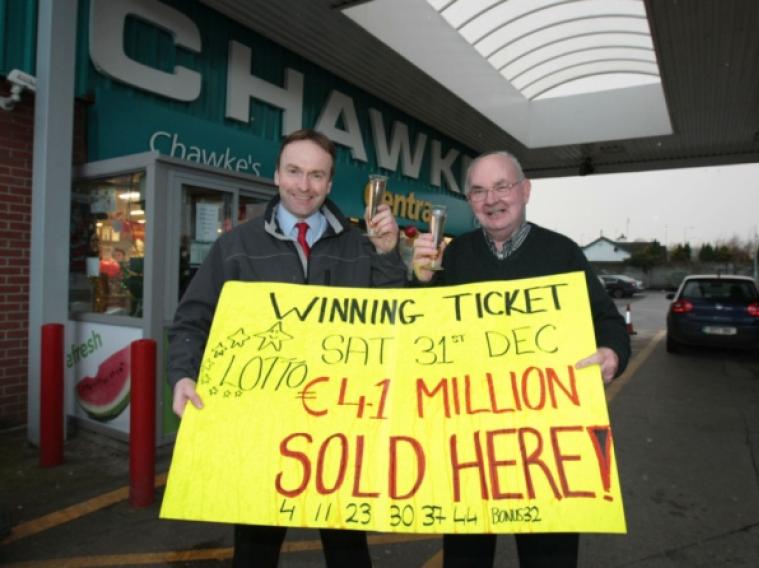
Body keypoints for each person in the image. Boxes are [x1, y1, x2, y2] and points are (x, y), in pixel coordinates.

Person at [168, 128, 407, 568]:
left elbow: (394, 317)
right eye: (294, 171)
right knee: (255, 550)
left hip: (340, 423)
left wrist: (389, 255)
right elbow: (191, 319)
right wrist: (183, 373)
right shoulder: (234, 246)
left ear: (330, 184)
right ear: (276, 175)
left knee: (348, 548)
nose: (304, 185)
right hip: (260, 427)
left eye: (317, 175)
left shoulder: (361, 245)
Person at [412, 150, 631, 568]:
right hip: (470, 444)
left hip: (546, 447)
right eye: (478, 190)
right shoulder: (452, 258)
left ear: (525, 190)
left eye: (502, 186)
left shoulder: (562, 253)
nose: (491, 198)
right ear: (469, 200)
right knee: (465, 557)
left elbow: (607, 319)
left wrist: (612, 352)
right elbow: (420, 336)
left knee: (549, 556)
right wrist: (418, 280)